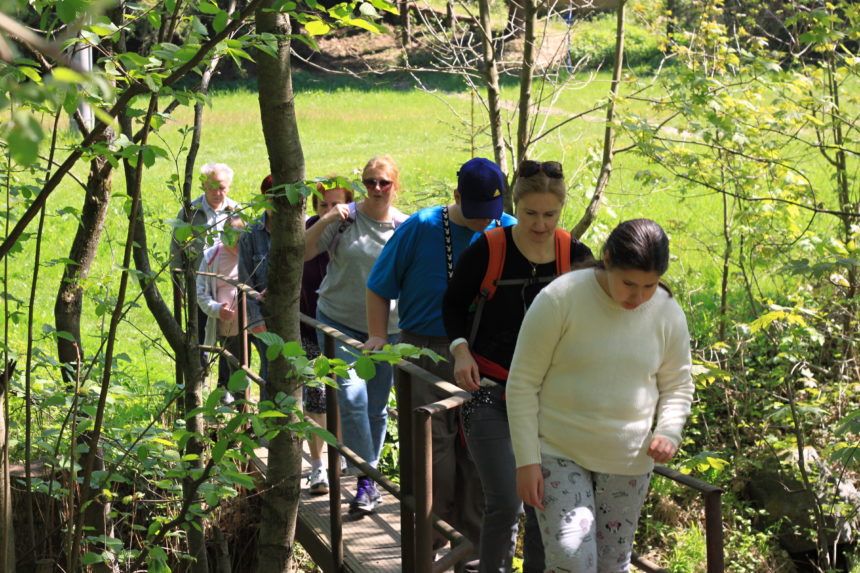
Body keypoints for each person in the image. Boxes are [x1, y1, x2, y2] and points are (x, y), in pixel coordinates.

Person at [506, 218, 695, 573]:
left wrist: (669, 431)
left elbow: (678, 385)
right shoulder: (561, 298)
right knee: (572, 562)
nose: (637, 297)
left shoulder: (668, 313)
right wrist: (526, 460)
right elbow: (522, 383)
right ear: (607, 260)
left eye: (650, 286)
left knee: (612, 566)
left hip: (628, 459)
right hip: (558, 451)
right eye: (628, 283)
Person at [365, 157, 517, 571]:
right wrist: (379, 335)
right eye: (476, 212)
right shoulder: (422, 226)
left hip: (485, 358)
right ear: (456, 198)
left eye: (491, 211)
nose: (485, 221)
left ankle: (471, 552)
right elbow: (379, 286)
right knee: (434, 456)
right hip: (425, 352)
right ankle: (428, 547)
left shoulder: (508, 228)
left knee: (480, 456)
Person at [442, 160, 593, 573]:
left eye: (550, 215)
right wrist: (460, 350)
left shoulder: (575, 256)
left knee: (544, 502)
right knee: (506, 502)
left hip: (552, 399)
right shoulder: (489, 249)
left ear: (561, 210)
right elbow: (452, 304)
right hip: (489, 391)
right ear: (514, 206)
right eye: (530, 214)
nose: (540, 225)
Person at [304, 156, 408, 516]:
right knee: (352, 398)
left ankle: (368, 480)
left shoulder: (405, 228)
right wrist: (328, 217)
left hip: (389, 332)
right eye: (369, 182)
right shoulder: (345, 219)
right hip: (339, 323)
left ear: (396, 185)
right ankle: (366, 479)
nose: (376, 189)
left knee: (377, 408)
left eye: (383, 182)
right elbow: (303, 251)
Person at [301, 181, 354, 496]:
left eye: (338, 205)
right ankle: (319, 465)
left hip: (346, 329)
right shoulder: (308, 231)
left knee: (346, 394)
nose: (332, 211)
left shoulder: (355, 232)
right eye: (324, 206)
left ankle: (343, 452)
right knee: (316, 396)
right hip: (308, 327)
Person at [171, 162, 240, 350]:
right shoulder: (190, 213)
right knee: (200, 336)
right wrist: (180, 287)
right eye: (212, 187)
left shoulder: (236, 211)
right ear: (203, 186)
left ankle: (226, 379)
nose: (217, 193)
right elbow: (176, 252)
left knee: (231, 341)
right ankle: (201, 374)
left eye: (222, 188)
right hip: (199, 285)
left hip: (228, 284)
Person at [196, 215, 246, 402]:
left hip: (255, 320)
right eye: (231, 239)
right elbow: (201, 293)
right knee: (236, 365)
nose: (237, 245)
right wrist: (217, 309)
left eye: (240, 239)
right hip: (229, 324)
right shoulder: (212, 256)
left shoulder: (250, 252)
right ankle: (239, 405)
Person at [237, 174, 276, 402]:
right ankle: (270, 431)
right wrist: (255, 321)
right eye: (271, 198)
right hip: (264, 317)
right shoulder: (251, 234)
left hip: (300, 316)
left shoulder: (303, 227)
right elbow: (245, 280)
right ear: (263, 198)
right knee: (270, 371)